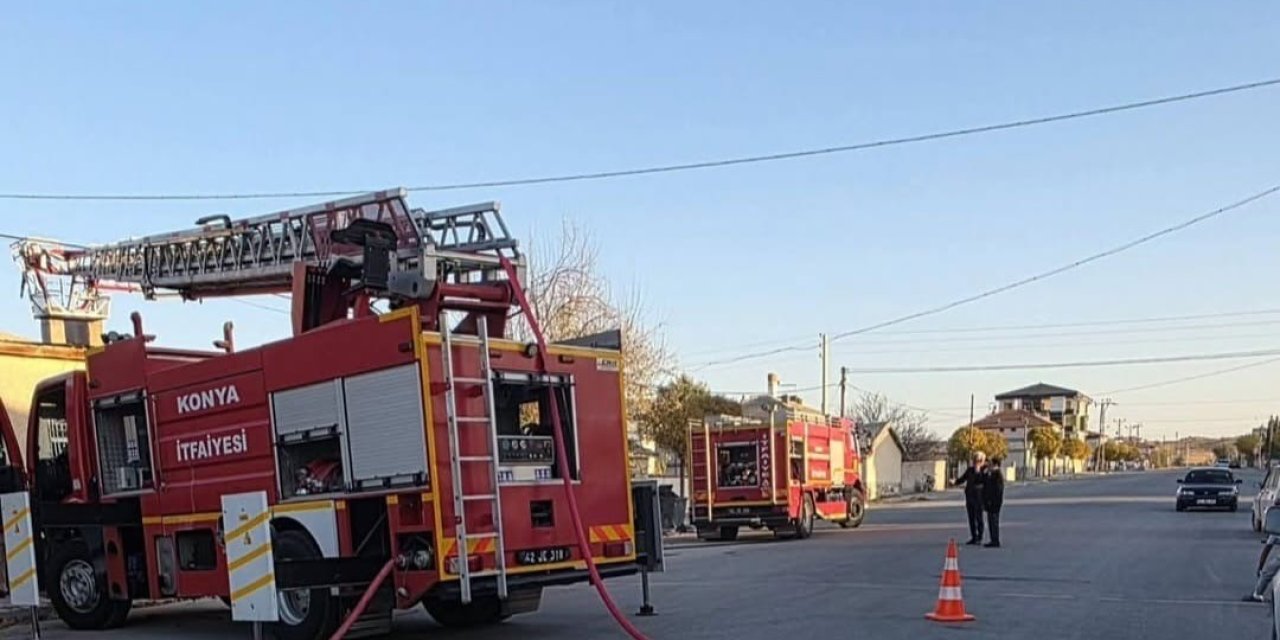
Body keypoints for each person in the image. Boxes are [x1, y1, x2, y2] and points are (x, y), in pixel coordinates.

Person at [954, 452, 987, 545]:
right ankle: (974, 537)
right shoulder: (970, 470)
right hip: (970, 497)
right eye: (975, 460)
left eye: (978, 460)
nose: (976, 462)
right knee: (971, 518)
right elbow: (963, 478)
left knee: (979, 518)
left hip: (979, 498)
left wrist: (978, 471)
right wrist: (955, 482)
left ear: (982, 461)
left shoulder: (985, 470)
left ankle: (979, 537)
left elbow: (983, 481)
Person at [1244, 531, 1280, 602]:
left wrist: (1260, 567)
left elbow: (1266, 550)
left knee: (1268, 571)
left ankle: (1257, 594)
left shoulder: (1275, 532)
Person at [982, 458, 1005, 548]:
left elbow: (998, 490)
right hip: (990, 502)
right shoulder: (991, 474)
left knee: (994, 521)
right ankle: (993, 539)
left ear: (995, 464)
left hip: (994, 503)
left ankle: (995, 540)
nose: (989, 465)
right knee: (990, 521)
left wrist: (993, 501)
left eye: (991, 463)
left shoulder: (997, 475)